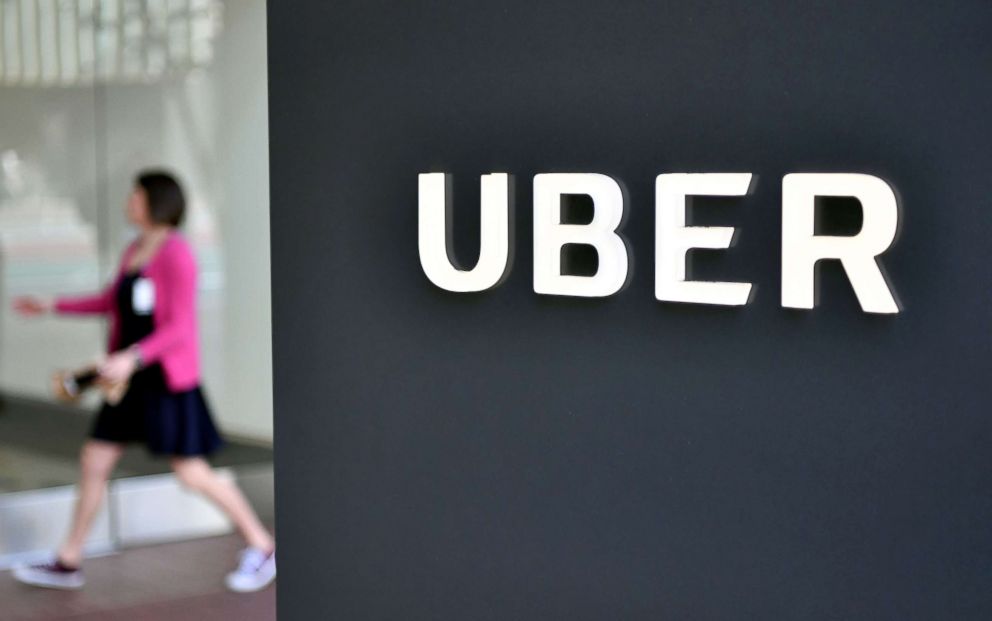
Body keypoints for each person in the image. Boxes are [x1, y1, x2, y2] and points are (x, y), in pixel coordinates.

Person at [10, 170, 275, 593]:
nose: (129, 201)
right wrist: (51, 304)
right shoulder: (136, 248)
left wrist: (133, 357)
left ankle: (262, 545)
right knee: (94, 461)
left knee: (191, 472)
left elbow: (180, 327)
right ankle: (68, 560)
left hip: (163, 381)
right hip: (127, 381)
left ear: (156, 201)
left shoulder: (176, 253)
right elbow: (110, 301)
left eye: (136, 195)